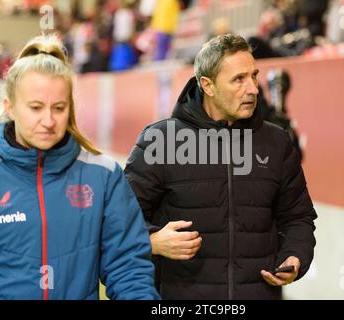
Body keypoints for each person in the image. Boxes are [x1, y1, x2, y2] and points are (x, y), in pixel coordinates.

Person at [125, 34, 317, 299]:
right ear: (208, 85)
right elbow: (119, 221)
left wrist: (295, 256)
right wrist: (152, 242)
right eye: (239, 79)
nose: (253, 89)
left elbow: (298, 217)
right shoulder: (160, 141)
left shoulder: (276, 141)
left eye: (254, 76)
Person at [0, 34, 159, 300]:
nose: (48, 120)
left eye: (58, 108)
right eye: (35, 108)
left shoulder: (103, 175)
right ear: (10, 108)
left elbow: (128, 267)